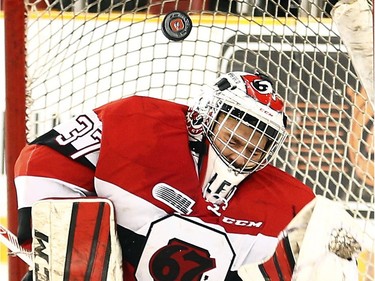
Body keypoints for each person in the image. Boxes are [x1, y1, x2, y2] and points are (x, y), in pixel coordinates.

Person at [14, 71, 315, 280]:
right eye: (234, 141)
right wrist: (46, 238)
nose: (240, 157)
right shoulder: (138, 127)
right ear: (205, 117)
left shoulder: (287, 204)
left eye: (254, 151)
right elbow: (45, 158)